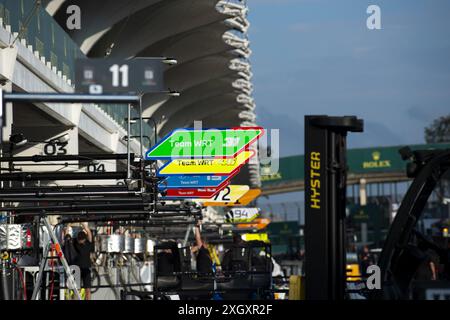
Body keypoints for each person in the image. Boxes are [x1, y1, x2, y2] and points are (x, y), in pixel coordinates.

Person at [72, 223, 93, 300]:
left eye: (80, 239)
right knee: (76, 289)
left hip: (86, 268)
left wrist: (84, 226)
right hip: (77, 268)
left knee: (88, 289)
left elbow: (89, 234)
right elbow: (67, 236)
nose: (79, 241)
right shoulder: (75, 243)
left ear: (84, 239)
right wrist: (68, 226)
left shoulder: (88, 244)